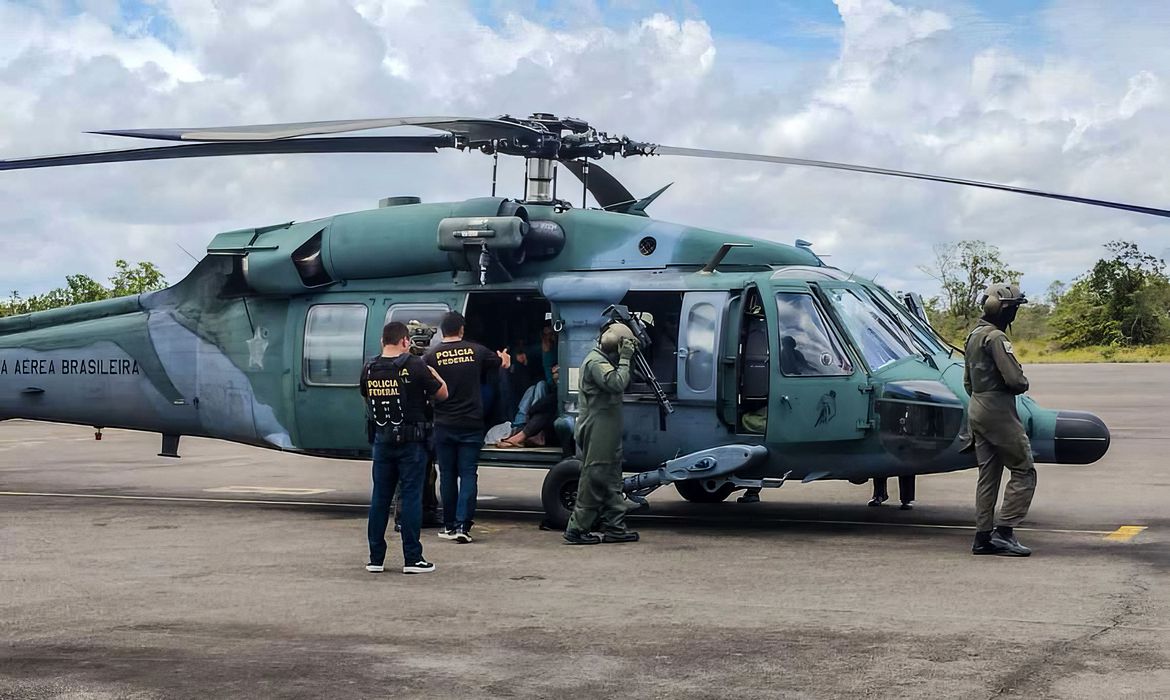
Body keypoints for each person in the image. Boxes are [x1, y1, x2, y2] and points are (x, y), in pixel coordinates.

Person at [361, 321, 448, 574]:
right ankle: (412, 558)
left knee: (379, 499)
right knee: (410, 498)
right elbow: (442, 393)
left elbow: (366, 396)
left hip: (382, 440)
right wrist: (432, 371)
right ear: (405, 341)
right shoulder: (415, 364)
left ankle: (375, 558)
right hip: (412, 444)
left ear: (382, 341)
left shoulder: (369, 367)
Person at [963, 283, 1035, 557]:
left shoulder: (973, 336)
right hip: (998, 410)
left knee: (988, 475)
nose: (1014, 313)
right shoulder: (995, 338)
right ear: (1003, 310)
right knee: (1023, 469)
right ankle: (1004, 532)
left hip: (977, 406)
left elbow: (968, 382)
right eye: (1014, 308)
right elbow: (1016, 381)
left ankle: (983, 537)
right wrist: (1021, 380)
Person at [425, 311, 509, 544]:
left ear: (442, 330)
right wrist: (504, 358)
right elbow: (500, 363)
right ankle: (464, 524)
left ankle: (450, 525)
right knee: (468, 474)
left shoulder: (431, 357)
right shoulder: (477, 350)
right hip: (472, 424)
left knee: (448, 475)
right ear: (462, 329)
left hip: (443, 424)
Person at [563, 322, 640, 545]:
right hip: (597, 427)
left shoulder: (603, 360)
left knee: (612, 479)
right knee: (595, 477)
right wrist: (625, 358)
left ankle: (615, 527)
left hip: (607, 427)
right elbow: (616, 383)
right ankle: (577, 528)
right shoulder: (596, 362)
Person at [497, 364, 559, 448]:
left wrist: (533, 410)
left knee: (541, 387)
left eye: (557, 372)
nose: (554, 374)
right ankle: (520, 426)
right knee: (533, 388)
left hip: (549, 420)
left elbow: (552, 399)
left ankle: (522, 435)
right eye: (553, 372)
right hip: (536, 419)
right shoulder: (551, 384)